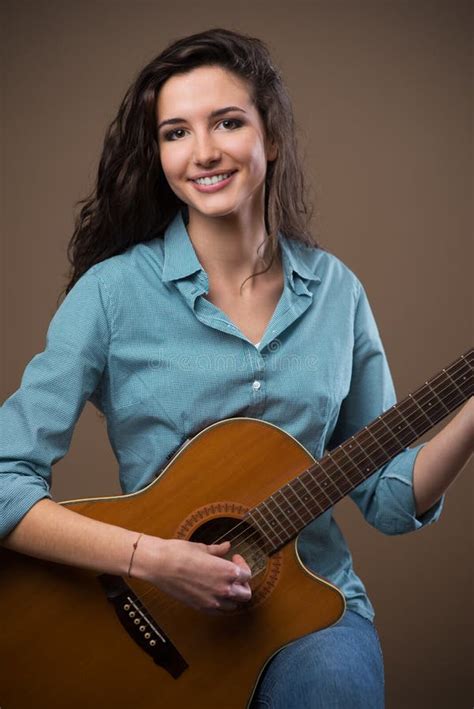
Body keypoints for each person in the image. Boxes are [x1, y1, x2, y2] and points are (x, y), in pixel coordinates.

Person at [0, 27, 472, 709]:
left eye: (227, 121)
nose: (204, 152)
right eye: (175, 132)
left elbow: (392, 498)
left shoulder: (337, 293)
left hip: (307, 617)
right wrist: (153, 559)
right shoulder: (108, 295)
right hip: (149, 620)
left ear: (269, 137)